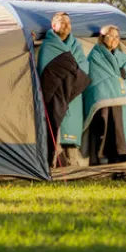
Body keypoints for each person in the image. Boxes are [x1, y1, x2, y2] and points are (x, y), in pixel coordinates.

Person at [37, 12, 90, 167]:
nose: (67, 26)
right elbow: (46, 71)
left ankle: (72, 162)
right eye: (62, 22)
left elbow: (84, 68)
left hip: (73, 96)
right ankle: (53, 162)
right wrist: (71, 68)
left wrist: (69, 72)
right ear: (54, 26)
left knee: (72, 128)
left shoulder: (76, 46)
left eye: (68, 23)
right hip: (56, 94)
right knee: (56, 127)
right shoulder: (48, 46)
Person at [83, 25, 126, 165]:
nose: (114, 39)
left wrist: (121, 86)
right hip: (103, 98)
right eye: (110, 36)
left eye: (117, 37)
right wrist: (118, 83)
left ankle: (121, 155)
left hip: (120, 99)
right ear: (102, 37)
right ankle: (101, 158)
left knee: (119, 129)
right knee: (103, 127)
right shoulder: (95, 56)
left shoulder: (123, 57)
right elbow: (96, 76)